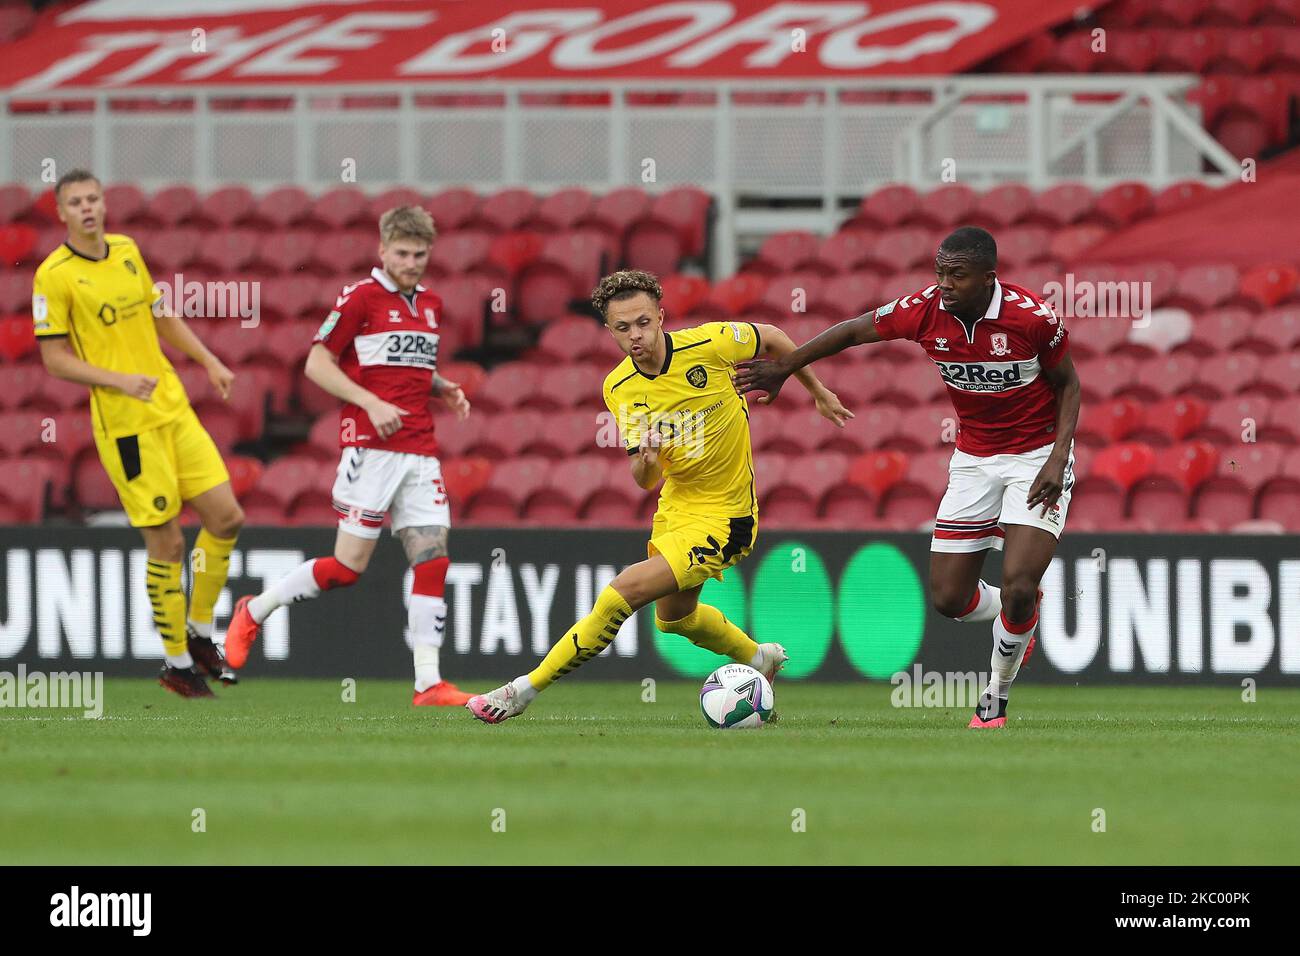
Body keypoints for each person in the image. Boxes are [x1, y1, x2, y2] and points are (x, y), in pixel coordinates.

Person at [466, 269, 853, 724]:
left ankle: (521, 691)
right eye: (623, 328)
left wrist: (817, 391)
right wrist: (647, 459)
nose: (636, 336)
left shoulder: (711, 344)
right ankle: (758, 658)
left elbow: (772, 337)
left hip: (728, 516)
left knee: (620, 592)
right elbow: (642, 479)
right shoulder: (619, 387)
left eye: (644, 322)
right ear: (609, 331)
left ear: (661, 317)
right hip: (676, 508)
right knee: (675, 620)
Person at [735, 226, 1081, 729]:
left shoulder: (1031, 319)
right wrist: (787, 368)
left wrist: (1057, 457)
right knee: (949, 600)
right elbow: (855, 329)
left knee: (1020, 582)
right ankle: (1016, 612)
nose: (944, 283)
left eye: (957, 275)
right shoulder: (925, 310)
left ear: (989, 278)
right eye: (940, 272)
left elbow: (1070, 384)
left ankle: (994, 698)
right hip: (974, 461)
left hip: (1036, 456)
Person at [223, 206, 474, 707]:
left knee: (433, 558)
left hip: (419, 449)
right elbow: (317, 363)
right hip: (370, 449)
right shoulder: (360, 298)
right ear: (382, 250)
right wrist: (369, 402)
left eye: (419, 254)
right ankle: (254, 610)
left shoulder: (430, 304)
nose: (411, 262)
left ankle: (428, 681)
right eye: (401, 253)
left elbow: (408, 366)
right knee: (346, 567)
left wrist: (442, 387)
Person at [33, 169, 244, 698]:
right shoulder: (53, 276)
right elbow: (55, 360)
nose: (86, 208)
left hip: (172, 409)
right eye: (75, 202)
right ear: (61, 212)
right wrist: (120, 380)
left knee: (227, 516)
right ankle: (176, 665)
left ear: (105, 204)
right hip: (126, 425)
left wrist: (209, 361)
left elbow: (162, 316)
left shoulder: (127, 249)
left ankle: (198, 632)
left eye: (93, 198)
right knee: (168, 544)